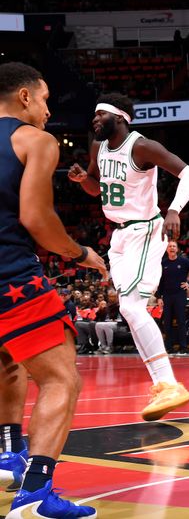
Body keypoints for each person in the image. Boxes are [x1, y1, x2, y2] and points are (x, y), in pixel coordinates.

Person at [0, 62, 106, 519]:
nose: (47, 111)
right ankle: (36, 496)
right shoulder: (34, 141)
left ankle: (7, 452)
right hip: (10, 275)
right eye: (43, 99)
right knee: (61, 378)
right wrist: (80, 253)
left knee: (8, 364)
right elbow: (36, 220)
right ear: (25, 96)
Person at [67, 92, 189, 420]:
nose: (94, 120)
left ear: (120, 118)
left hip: (145, 230)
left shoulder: (142, 146)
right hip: (120, 235)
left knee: (131, 306)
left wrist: (174, 210)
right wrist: (84, 180)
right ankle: (162, 385)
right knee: (129, 310)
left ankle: (168, 383)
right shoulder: (98, 147)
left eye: (100, 115)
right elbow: (98, 187)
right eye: (94, 116)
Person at [159, 240, 189, 355]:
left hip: (179, 295)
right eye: (170, 246)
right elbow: (160, 281)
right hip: (167, 295)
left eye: (174, 246)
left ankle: (183, 347)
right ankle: (169, 347)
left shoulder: (183, 261)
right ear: (167, 249)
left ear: (177, 249)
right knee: (167, 323)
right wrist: (159, 296)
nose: (172, 248)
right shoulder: (163, 263)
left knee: (181, 321)